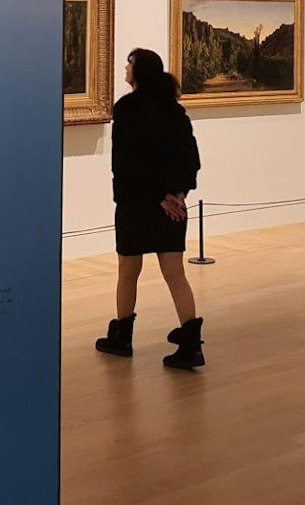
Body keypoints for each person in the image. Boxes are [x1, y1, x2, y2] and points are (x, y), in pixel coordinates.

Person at [95, 48, 205, 370]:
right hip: (170, 207)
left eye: (129, 64)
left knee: (128, 273)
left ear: (139, 72)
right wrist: (178, 195)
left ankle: (122, 337)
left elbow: (127, 165)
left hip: (136, 204)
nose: (125, 69)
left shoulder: (127, 110)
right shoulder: (175, 111)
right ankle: (190, 346)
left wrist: (160, 197)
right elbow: (190, 159)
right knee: (176, 274)